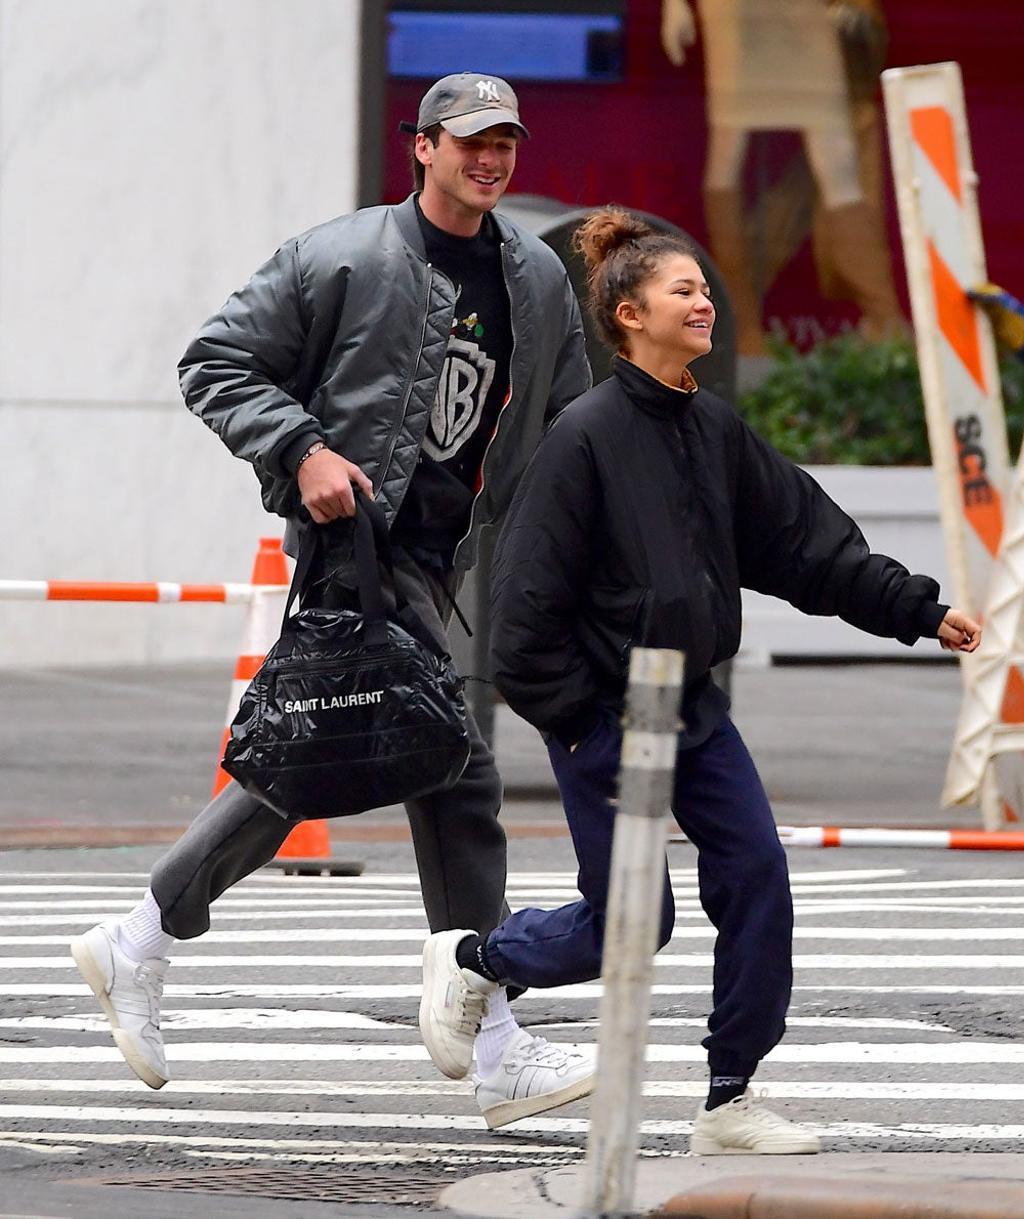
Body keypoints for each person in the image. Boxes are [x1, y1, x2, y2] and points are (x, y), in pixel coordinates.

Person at [68, 73, 595, 1130]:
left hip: (450, 562)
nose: (491, 160)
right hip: (359, 545)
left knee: (343, 752)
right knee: (452, 764)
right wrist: (302, 446)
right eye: (470, 142)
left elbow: (572, 419)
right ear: (423, 148)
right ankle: (489, 1034)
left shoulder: (535, 278)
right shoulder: (340, 255)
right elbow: (215, 362)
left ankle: (142, 933)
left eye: (506, 144)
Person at [417, 207, 981, 1153]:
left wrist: (916, 610)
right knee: (633, 923)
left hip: (695, 713)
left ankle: (730, 1100)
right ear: (630, 313)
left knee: (758, 874)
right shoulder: (583, 439)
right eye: (685, 289)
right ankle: (476, 959)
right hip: (609, 717)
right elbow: (521, 613)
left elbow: (809, 545)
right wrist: (580, 721)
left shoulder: (711, 430)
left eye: (705, 290)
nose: (705, 300)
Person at [661, 0, 905, 352]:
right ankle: (743, 329)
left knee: (837, 158)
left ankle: (886, 319)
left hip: (805, 11)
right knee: (728, 154)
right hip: (736, 13)